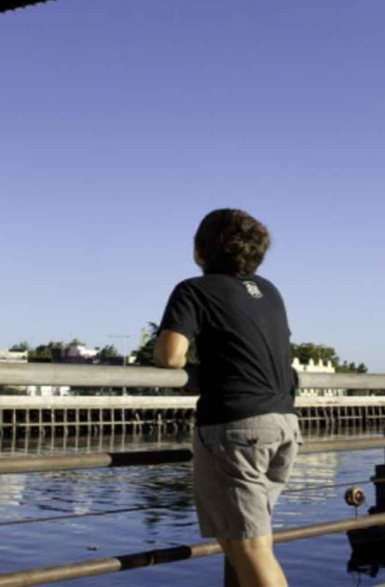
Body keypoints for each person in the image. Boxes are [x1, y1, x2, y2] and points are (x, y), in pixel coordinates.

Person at [155, 208, 300, 587]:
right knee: (248, 543)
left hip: (237, 429)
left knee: (250, 550)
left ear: (200, 250)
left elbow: (170, 356)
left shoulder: (194, 289)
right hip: (283, 424)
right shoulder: (270, 290)